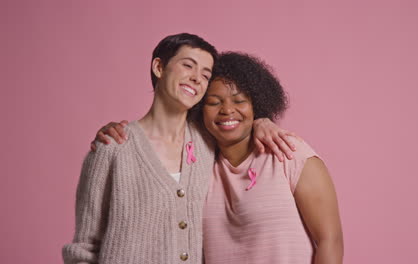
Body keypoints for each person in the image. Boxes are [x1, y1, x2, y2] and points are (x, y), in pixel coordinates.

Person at [63, 33, 296, 264]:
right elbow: (84, 250)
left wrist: (261, 121)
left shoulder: (208, 143)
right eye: (188, 66)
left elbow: (236, 125)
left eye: (205, 75)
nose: (196, 78)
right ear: (159, 67)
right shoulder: (112, 148)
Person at [98, 51, 344, 263]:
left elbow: (329, 240)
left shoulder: (288, 154)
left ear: (256, 105)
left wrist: (263, 121)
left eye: (239, 101)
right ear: (198, 109)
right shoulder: (195, 166)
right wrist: (119, 134)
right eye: (214, 102)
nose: (227, 110)